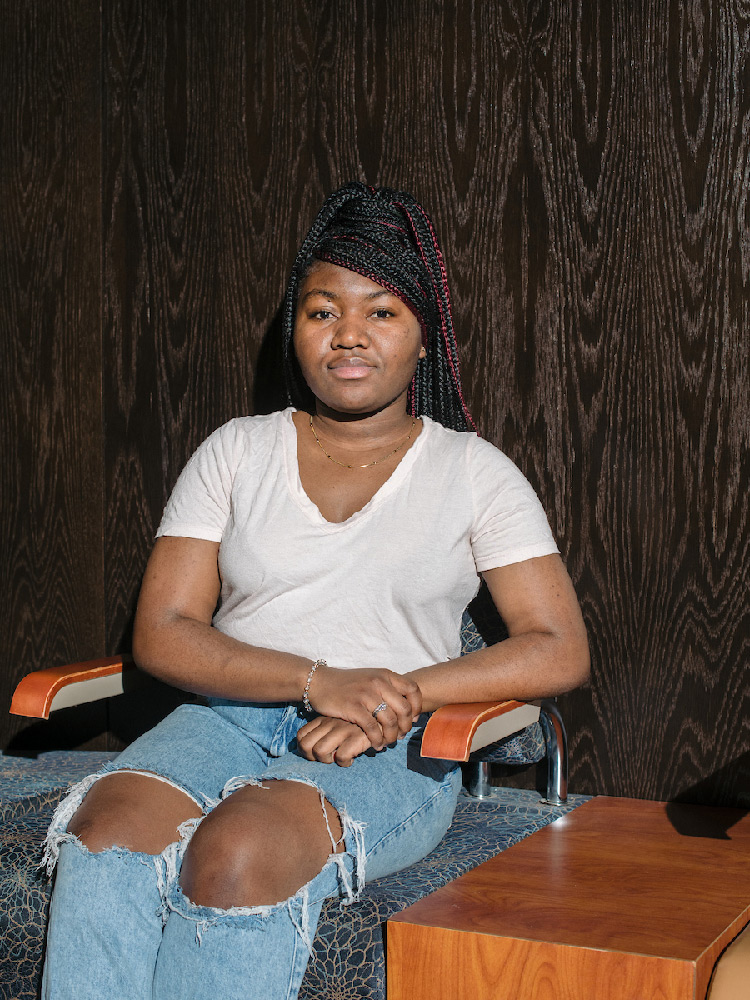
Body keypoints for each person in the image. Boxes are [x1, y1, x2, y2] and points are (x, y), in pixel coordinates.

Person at [40, 182, 589, 1000]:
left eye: (382, 312)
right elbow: (164, 629)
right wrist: (315, 680)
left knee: (238, 850)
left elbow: (557, 647)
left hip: (388, 746)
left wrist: (393, 696)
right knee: (106, 836)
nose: (348, 336)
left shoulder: (475, 473)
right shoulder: (237, 450)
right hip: (220, 720)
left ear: (425, 339)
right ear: (296, 329)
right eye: (322, 311)